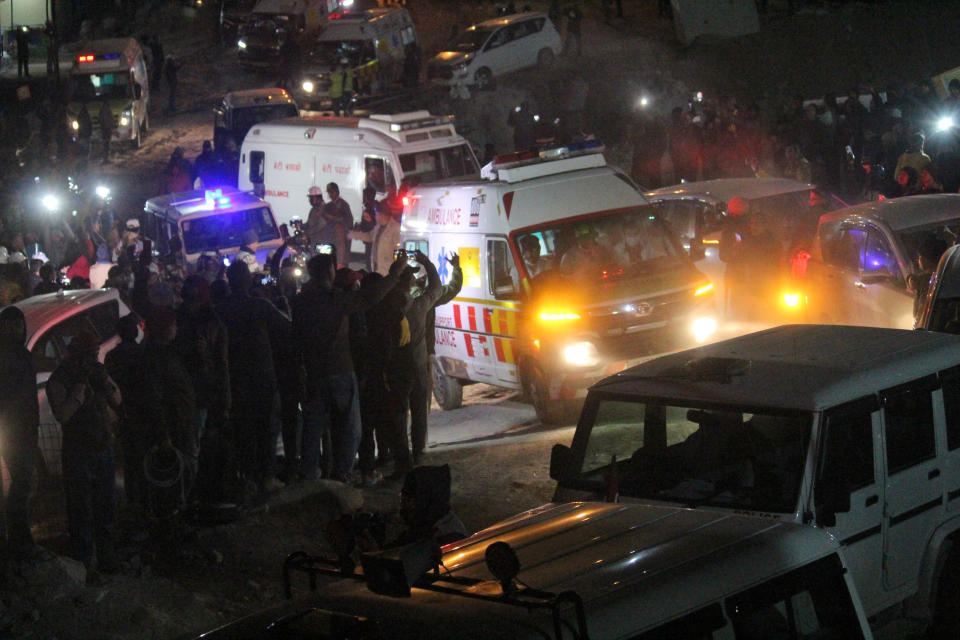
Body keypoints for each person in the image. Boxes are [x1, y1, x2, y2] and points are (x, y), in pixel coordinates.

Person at [292, 252, 407, 483]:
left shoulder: (300, 302)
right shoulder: (336, 299)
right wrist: (395, 273)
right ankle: (342, 476)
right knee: (351, 428)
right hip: (340, 370)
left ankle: (308, 477)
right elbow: (371, 297)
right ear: (330, 272)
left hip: (314, 373)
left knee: (313, 429)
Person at [47, 330, 122, 579]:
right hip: (78, 451)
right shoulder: (60, 379)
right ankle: (85, 561)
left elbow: (118, 400)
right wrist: (79, 387)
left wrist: (105, 384)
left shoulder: (97, 374)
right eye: (88, 356)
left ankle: (107, 556)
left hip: (102, 446)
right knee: (80, 508)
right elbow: (63, 415)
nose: (92, 360)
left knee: (106, 506)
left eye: (93, 355)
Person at [216, 261, 290, 498]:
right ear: (247, 280)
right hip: (261, 375)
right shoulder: (258, 305)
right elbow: (287, 327)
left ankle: (245, 478)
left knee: (243, 430)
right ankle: (266, 477)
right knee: (266, 428)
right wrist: (282, 302)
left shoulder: (220, 307)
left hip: (234, 376)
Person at [0, 307, 40, 567]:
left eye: (18, 325)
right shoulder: (9, 356)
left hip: (23, 427)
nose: (15, 330)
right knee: (23, 481)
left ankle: (18, 536)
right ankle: (19, 537)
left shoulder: (21, 355)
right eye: (10, 325)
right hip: (14, 429)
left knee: (24, 480)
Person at [401, 253, 442, 469]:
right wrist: (426, 262)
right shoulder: (418, 306)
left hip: (394, 370)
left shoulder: (385, 308)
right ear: (410, 283)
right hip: (417, 367)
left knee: (397, 415)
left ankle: (399, 457)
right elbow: (437, 287)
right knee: (419, 412)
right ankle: (418, 453)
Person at [104, 313, 147, 513]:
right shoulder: (142, 353)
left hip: (123, 413)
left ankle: (133, 502)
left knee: (130, 461)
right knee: (145, 458)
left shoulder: (112, 357)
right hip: (143, 412)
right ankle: (146, 501)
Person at [351, 198, 400, 275]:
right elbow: (370, 237)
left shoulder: (395, 228)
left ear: (382, 215)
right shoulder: (378, 227)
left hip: (388, 270)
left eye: (376, 214)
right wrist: (354, 235)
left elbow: (398, 249)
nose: (375, 217)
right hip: (376, 266)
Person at [321, 183, 353, 268]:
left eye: (332, 192)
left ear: (337, 192)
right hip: (330, 238)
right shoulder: (328, 206)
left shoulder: (344, 205)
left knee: (341, 266)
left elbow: (349, 222)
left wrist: (334, 219)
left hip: (340, 240)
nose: (330, 194)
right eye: (329, 192)